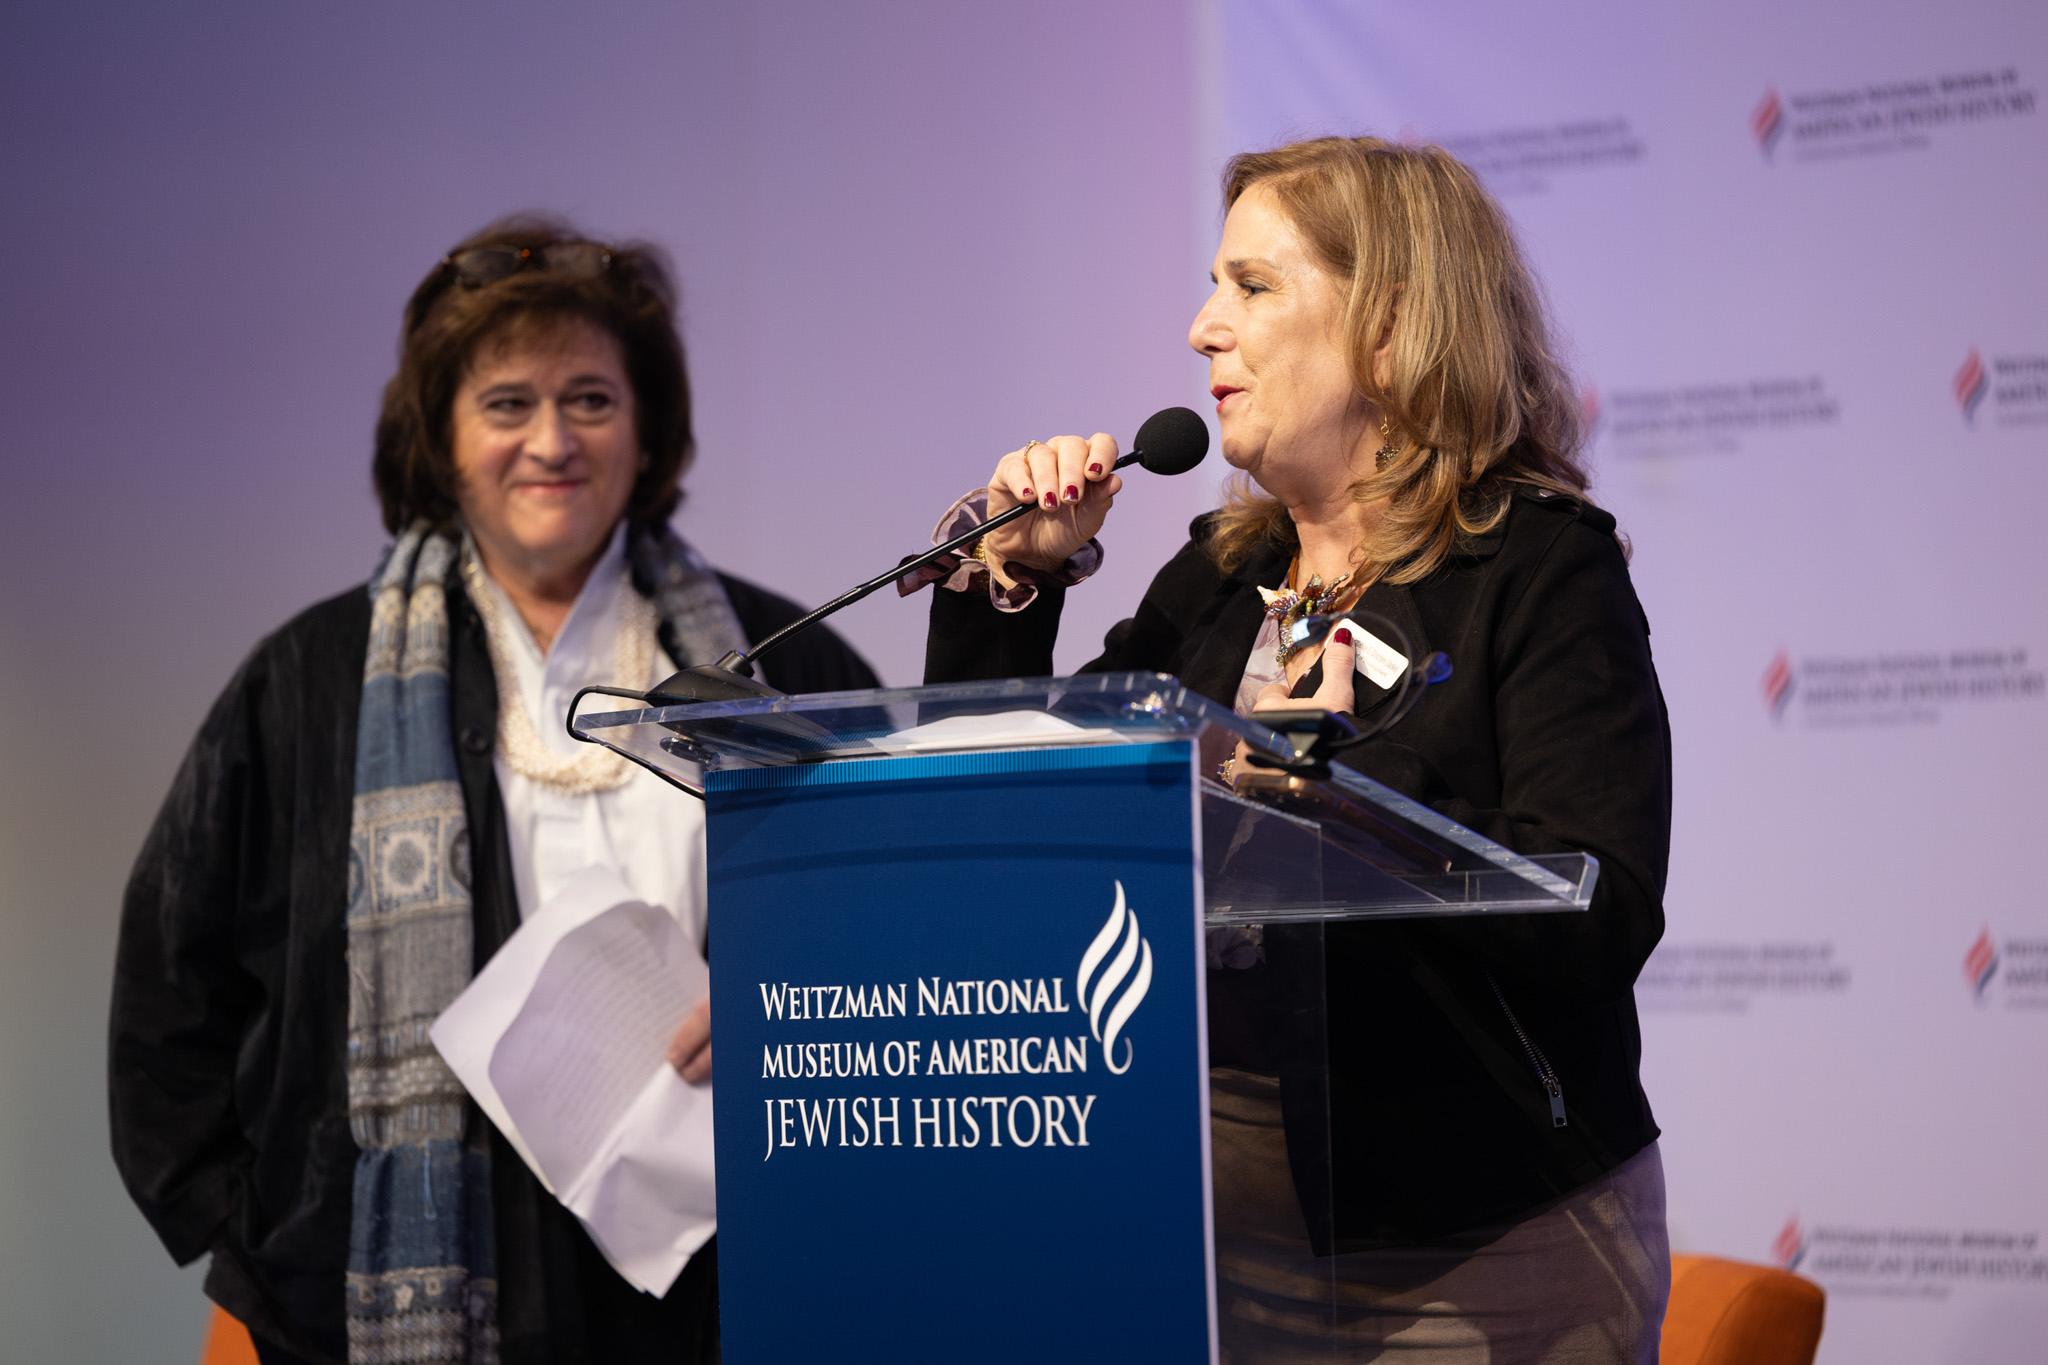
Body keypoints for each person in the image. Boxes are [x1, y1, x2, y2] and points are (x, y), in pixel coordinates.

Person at [916, 137, 1671, 1362]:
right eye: (1213, 287)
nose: (1200, 329)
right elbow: (1010, 814)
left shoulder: (1538, 570)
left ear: (1391, 328)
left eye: (1251, 286)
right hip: (1200, 1220)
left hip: (1473, 1245)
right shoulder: (1220, 577)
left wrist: (1342, 792)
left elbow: (1599, 913)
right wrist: (1013, 579)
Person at [110, 216, 877, 1365]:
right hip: (385, 1296)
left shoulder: (783, 663)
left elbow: (892, 943)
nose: (552, 442)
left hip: (729, 1291)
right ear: (440, 438)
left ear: (647, 430)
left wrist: (790, 1001)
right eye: (507, 404)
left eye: (591, 400)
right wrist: (268, 1251)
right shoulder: (307, 683)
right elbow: (168, 1000)